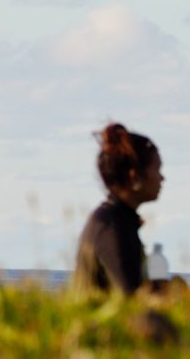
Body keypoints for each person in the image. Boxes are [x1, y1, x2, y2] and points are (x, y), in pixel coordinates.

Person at [73, 123, 164, 294]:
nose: (162, 178)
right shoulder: (112, 225)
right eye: (157, 170)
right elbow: (129, 296)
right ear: (134, 176)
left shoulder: (117, 218)